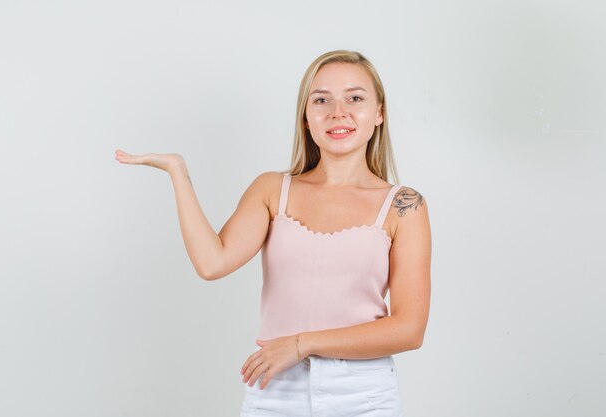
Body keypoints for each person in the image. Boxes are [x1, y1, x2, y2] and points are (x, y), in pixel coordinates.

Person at [114, 49, 431, 417]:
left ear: (378, 113)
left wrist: (300, 345)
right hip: (276, 387)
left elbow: (409, 329)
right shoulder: (271, 190)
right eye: (321, 100)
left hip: (363, 393)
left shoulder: (405, 205)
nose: (337, 112)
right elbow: (211, 262)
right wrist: (177, 172)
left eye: (355, 98)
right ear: (306, 119)